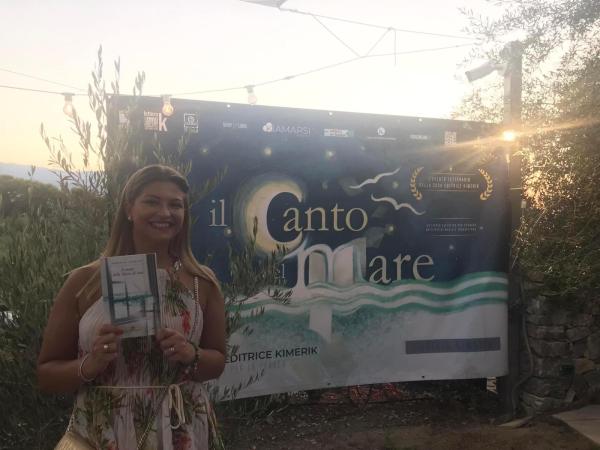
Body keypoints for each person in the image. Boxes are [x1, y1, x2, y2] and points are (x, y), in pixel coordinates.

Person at [37, 164, 226, 450]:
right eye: (152, 201)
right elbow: (47, 376)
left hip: (180, 429)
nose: (165, 212)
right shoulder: (85, 282)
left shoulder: (203, 282)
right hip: (102, 432)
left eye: (176, 205)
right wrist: (91, 363)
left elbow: (217, 363)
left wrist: (192, 354)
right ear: (129, 208)